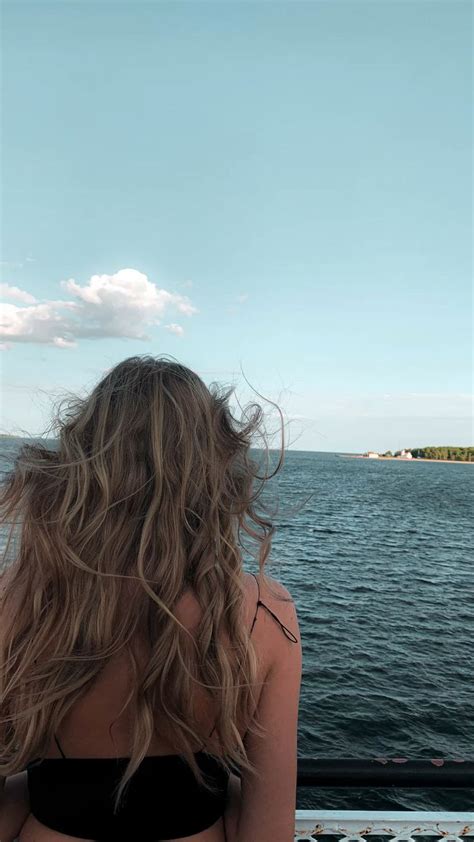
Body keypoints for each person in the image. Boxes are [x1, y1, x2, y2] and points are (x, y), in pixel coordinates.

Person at [0, 355, 302, 842]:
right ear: (215, 469)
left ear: (84, 460)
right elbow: (268, 830)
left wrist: (42, 793)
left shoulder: (16, 601)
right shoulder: (265, 615)